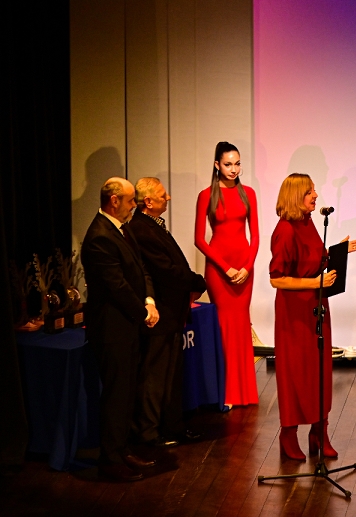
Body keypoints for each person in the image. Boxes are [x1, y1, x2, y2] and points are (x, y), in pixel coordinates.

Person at [269, 174, 356, 461]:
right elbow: (276, 279)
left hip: (316, 306)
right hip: (294, 312)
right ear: (296, 196)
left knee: (319, 370)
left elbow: (316, 259)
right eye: (310, 191)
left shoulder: (308, 222)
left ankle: (319, 433)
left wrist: (338, 252)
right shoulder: (285, 230)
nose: (315, 195)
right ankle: (288, 435)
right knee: (296, 372)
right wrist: (314, 283)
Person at [81, 178, 160, 481]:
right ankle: (110, 459)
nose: (134, 206)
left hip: (128, 325)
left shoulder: (122, 229)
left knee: (126, 393)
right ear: (114, 201)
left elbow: (141, 269)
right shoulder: (99, 236)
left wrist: (149, 301)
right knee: (116, 395)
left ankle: (122, 449)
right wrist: (143, 313)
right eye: (129, 201)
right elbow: (117, 286)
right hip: (112, 329)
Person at [128, 177, 207, 447]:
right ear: (148, 202)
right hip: (160, 314)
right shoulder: (142, 229)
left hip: (171, 313)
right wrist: (198, 281)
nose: (168, 198)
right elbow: (166, 271)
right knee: (155, 377)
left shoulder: (152, 225)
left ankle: (171, 427)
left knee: (170, 376)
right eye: (163, 195)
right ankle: (149, 433)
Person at [194, 142, 260, 408]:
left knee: (241, 324)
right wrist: (226, 267)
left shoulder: (249, 193)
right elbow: (199, 239)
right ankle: (225, 393)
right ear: (217, 165)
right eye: (228, 164)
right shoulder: (206, 195)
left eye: (237, 163)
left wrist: (246, 267)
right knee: (223, 326)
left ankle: (244, 391)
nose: (234, 169)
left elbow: (255, 237)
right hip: (219, 270)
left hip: (244, 268)